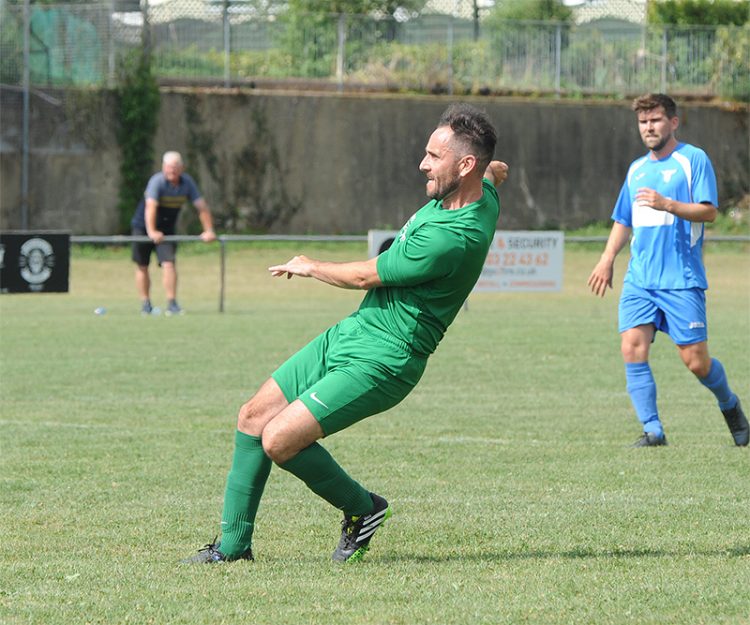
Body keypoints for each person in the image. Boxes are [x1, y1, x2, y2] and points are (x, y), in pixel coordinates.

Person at [183, 103, 509, 564]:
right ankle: (234, 549)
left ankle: (363, 508)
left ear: (464, 164)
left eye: (434, 157)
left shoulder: (453, 237)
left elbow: (364, 277)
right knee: (253, 416)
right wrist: (496, 169)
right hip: (356, 332)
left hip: (387, 359)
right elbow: (496, 173)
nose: (422, 164)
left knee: (278, 440)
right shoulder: (482, 191)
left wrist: (310, 266)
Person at [587, 93, 748, 448]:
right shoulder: (636, 170)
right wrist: (607, 257)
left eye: (656, 120)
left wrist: (669, 204)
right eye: (643, 122)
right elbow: (622, 220)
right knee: (632, 347)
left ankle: (730, 404)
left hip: (681, 279)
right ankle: (653, 429)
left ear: (673, 122)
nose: (649, 128)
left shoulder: (693, 160)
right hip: (640, 279)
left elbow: (709, 212)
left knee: (696, 362)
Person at [130, 151, 216, 316]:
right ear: (163, 167)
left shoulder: (187, 183)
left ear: (182, 168)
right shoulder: (157, 182)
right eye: (169, 167)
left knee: (169, 264)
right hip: (143, 226)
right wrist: (152, 231)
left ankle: (172, 303)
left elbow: (201, 207)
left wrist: (209, 230)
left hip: (167, 230)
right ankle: (146, 304)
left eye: (175, 168)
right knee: (142, 265)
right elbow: (150, 208)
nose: (172, 171)